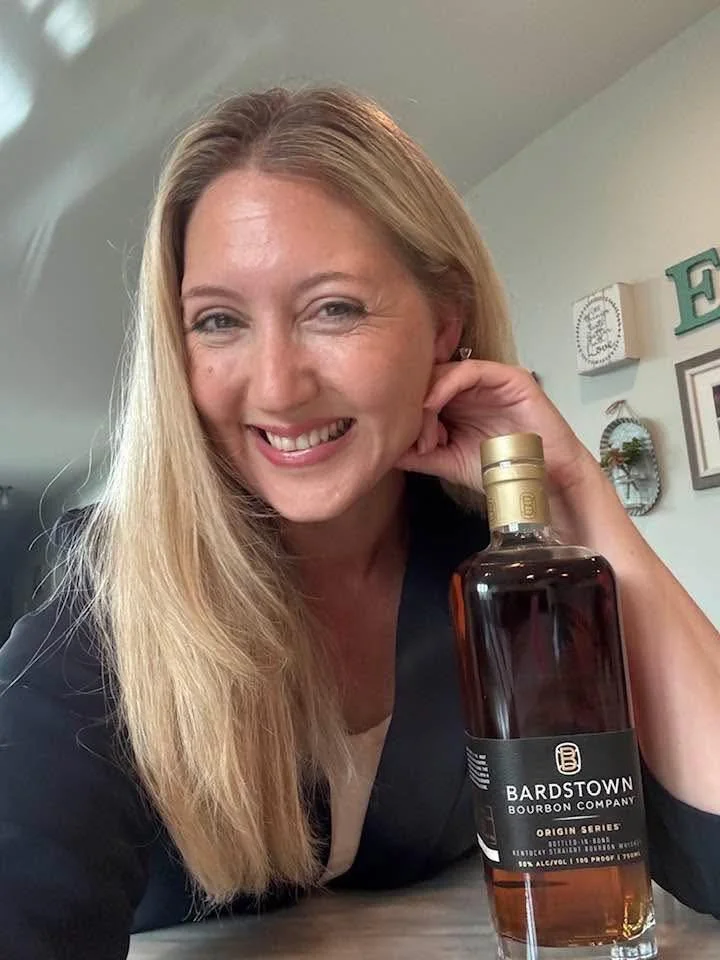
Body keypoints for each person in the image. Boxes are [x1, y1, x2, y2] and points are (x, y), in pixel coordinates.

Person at [1, 86, 719, 960]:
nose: (276, 388)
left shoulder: (492, 580)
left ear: (444, 323)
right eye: (219, 321)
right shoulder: (113, 589)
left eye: (333, 308)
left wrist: (575, 493)